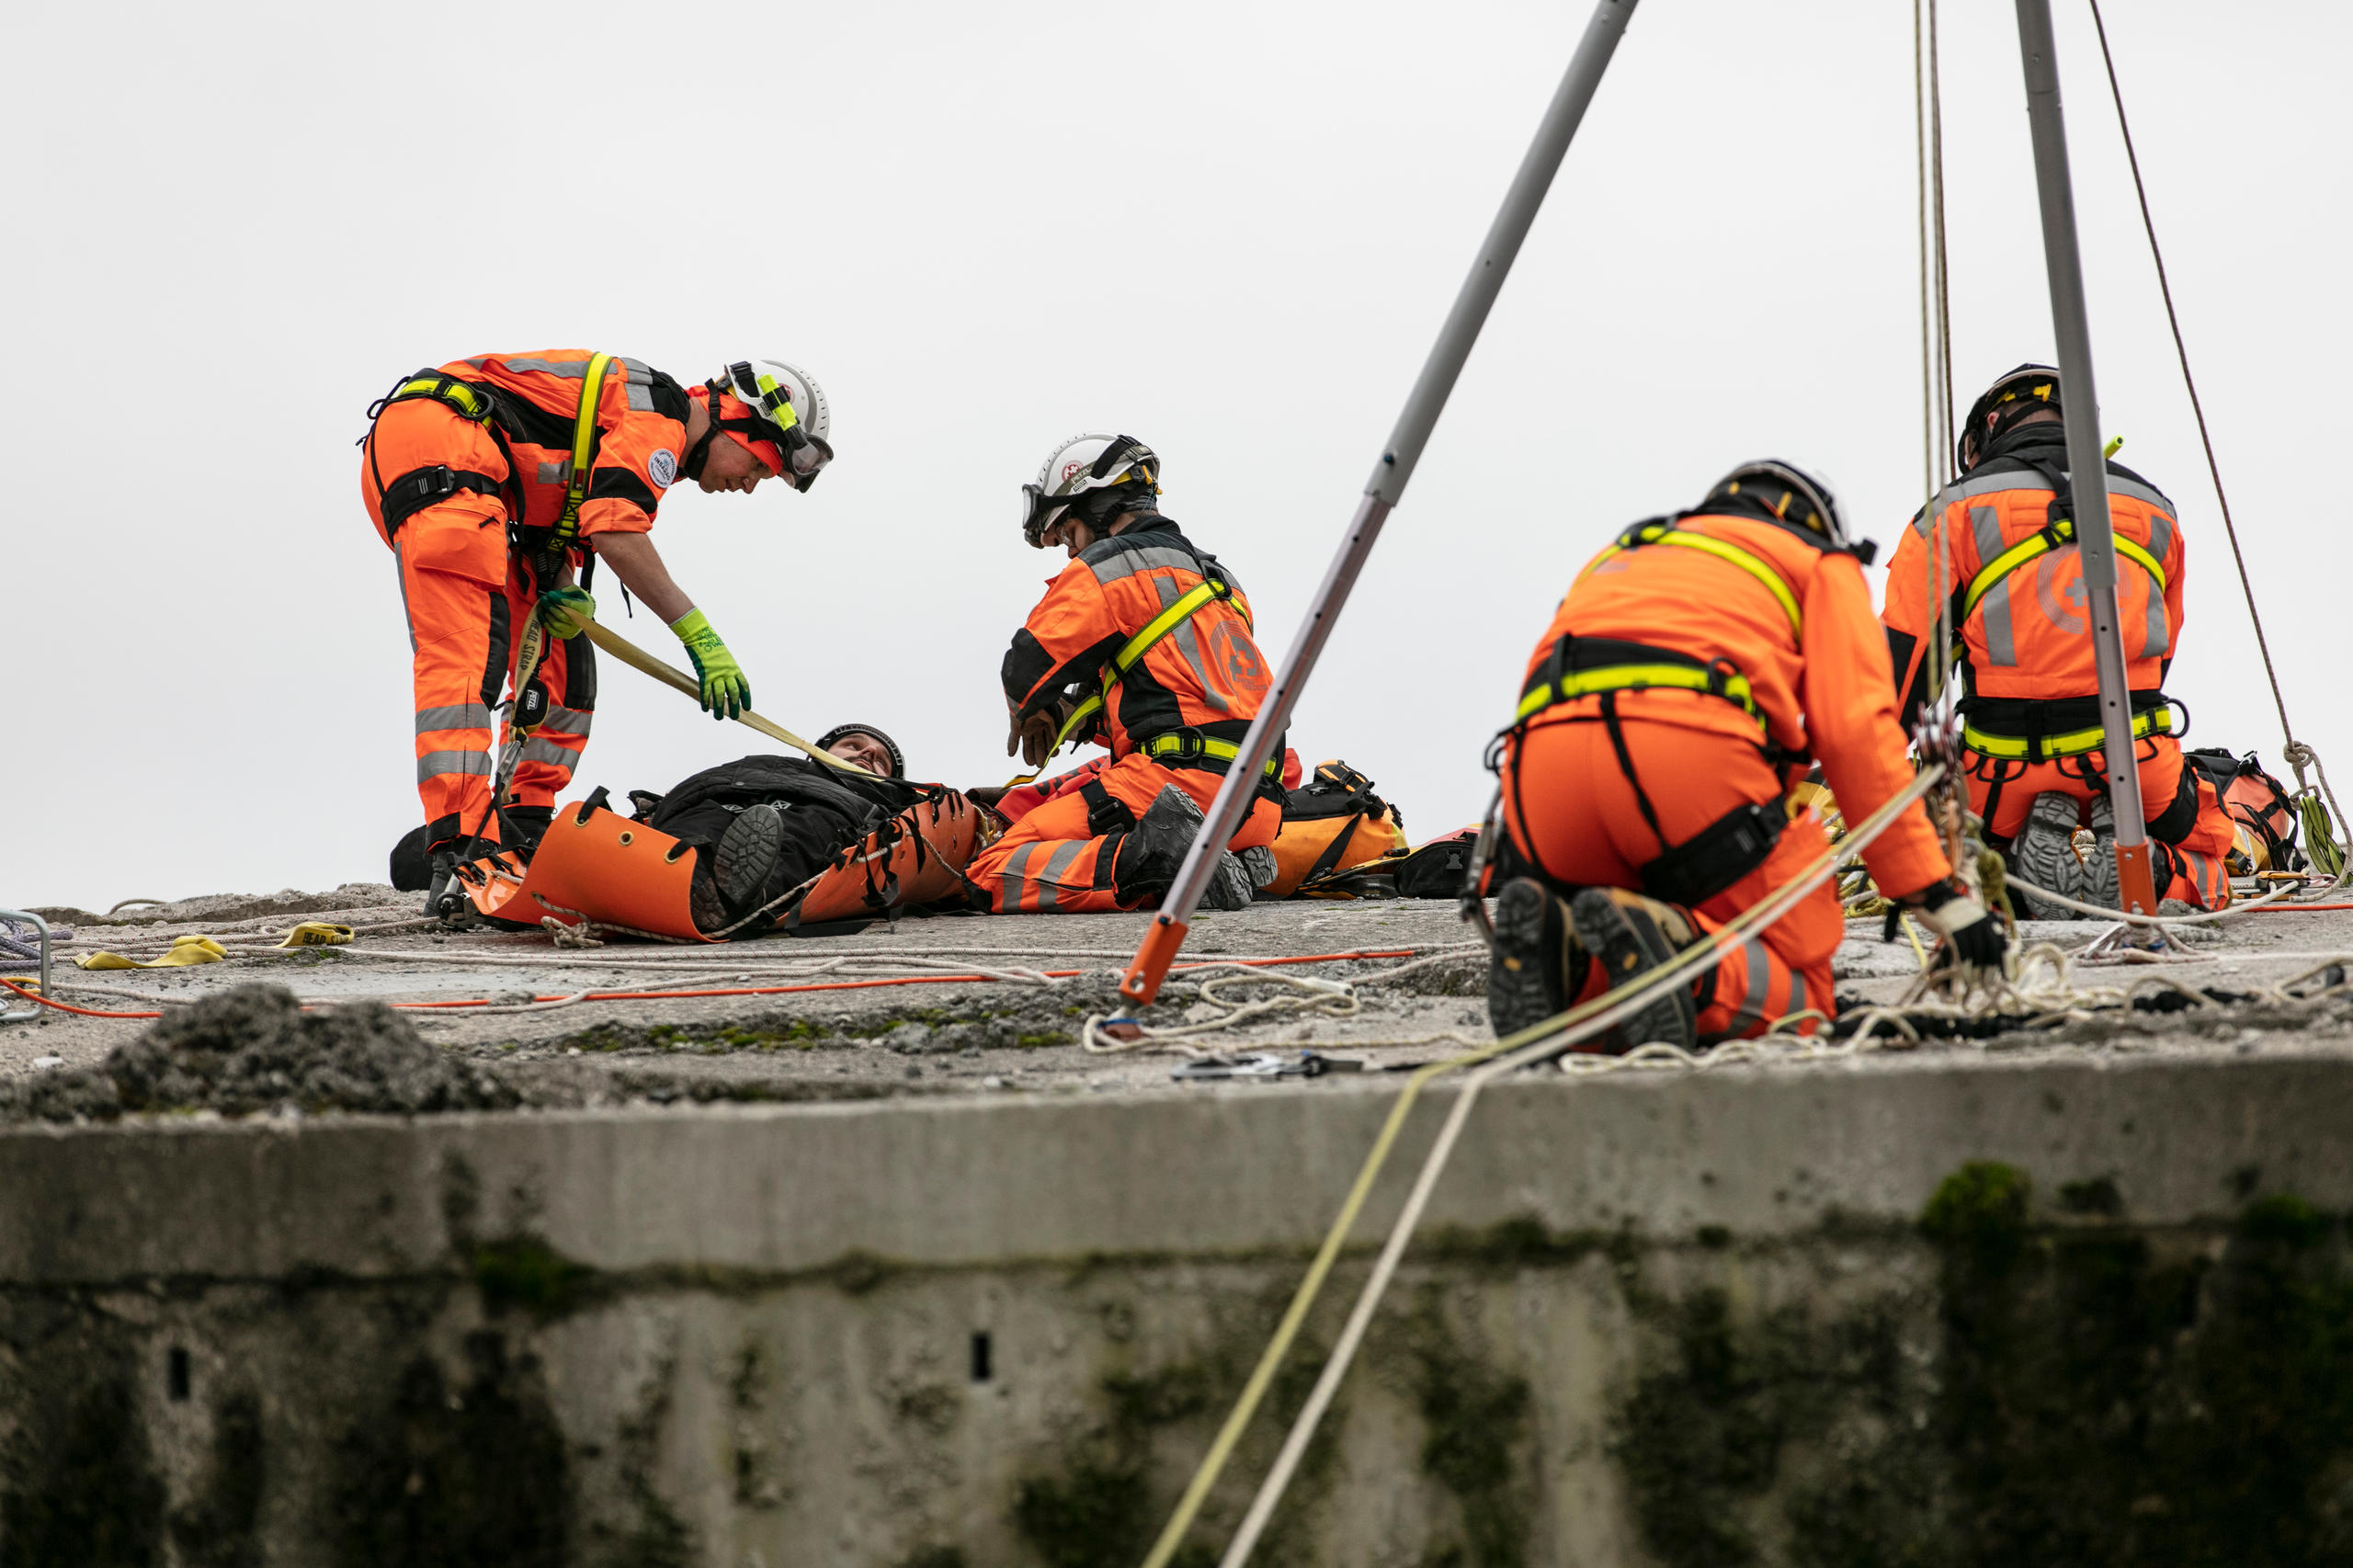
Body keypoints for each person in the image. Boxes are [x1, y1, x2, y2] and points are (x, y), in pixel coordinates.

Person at [1487, 460, 2006, 1049]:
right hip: (1684, 774)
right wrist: (1933, 893)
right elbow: (1856, 731)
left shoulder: (1623, 555)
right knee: (1802, 983)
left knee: (1618, 933)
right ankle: (1687, 963)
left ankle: (1573, 968)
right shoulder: (1818, 563)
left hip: (1543, 794)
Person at [361, 353, 832, 912]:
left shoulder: (645, 431)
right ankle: (462, 849)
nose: (751, 485)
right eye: (760, 465)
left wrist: (556, 579)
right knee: (467, 656)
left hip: (484, 476)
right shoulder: (661, 413)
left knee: (565, 669)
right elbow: (614, 530)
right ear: (738, 416)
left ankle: (520, 828)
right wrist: (699, 637)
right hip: (442, 446)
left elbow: (565, 501)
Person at [1881, 364, 2237, 914]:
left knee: (1955, 853)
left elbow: (1902, 676)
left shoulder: (1951, 511)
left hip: (2001, 771)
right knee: (2216, 840)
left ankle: (2019, 871)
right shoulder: (2154, 509)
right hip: (2134, 758)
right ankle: (2160, 872)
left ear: (1993, 424)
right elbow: (2160, 653)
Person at [966, 435, 1285, 914]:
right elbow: (1178, 693)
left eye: (1068, 532)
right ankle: (1218, 856)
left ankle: (1159, 858)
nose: (1069, 552)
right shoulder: (1221, 581)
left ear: (1098, 503)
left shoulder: (1113, 564)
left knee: (993, 868)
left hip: (1182, 787)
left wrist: (1031, 710)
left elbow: (1026, 667)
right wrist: (1080, 711)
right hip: (1260, 804)